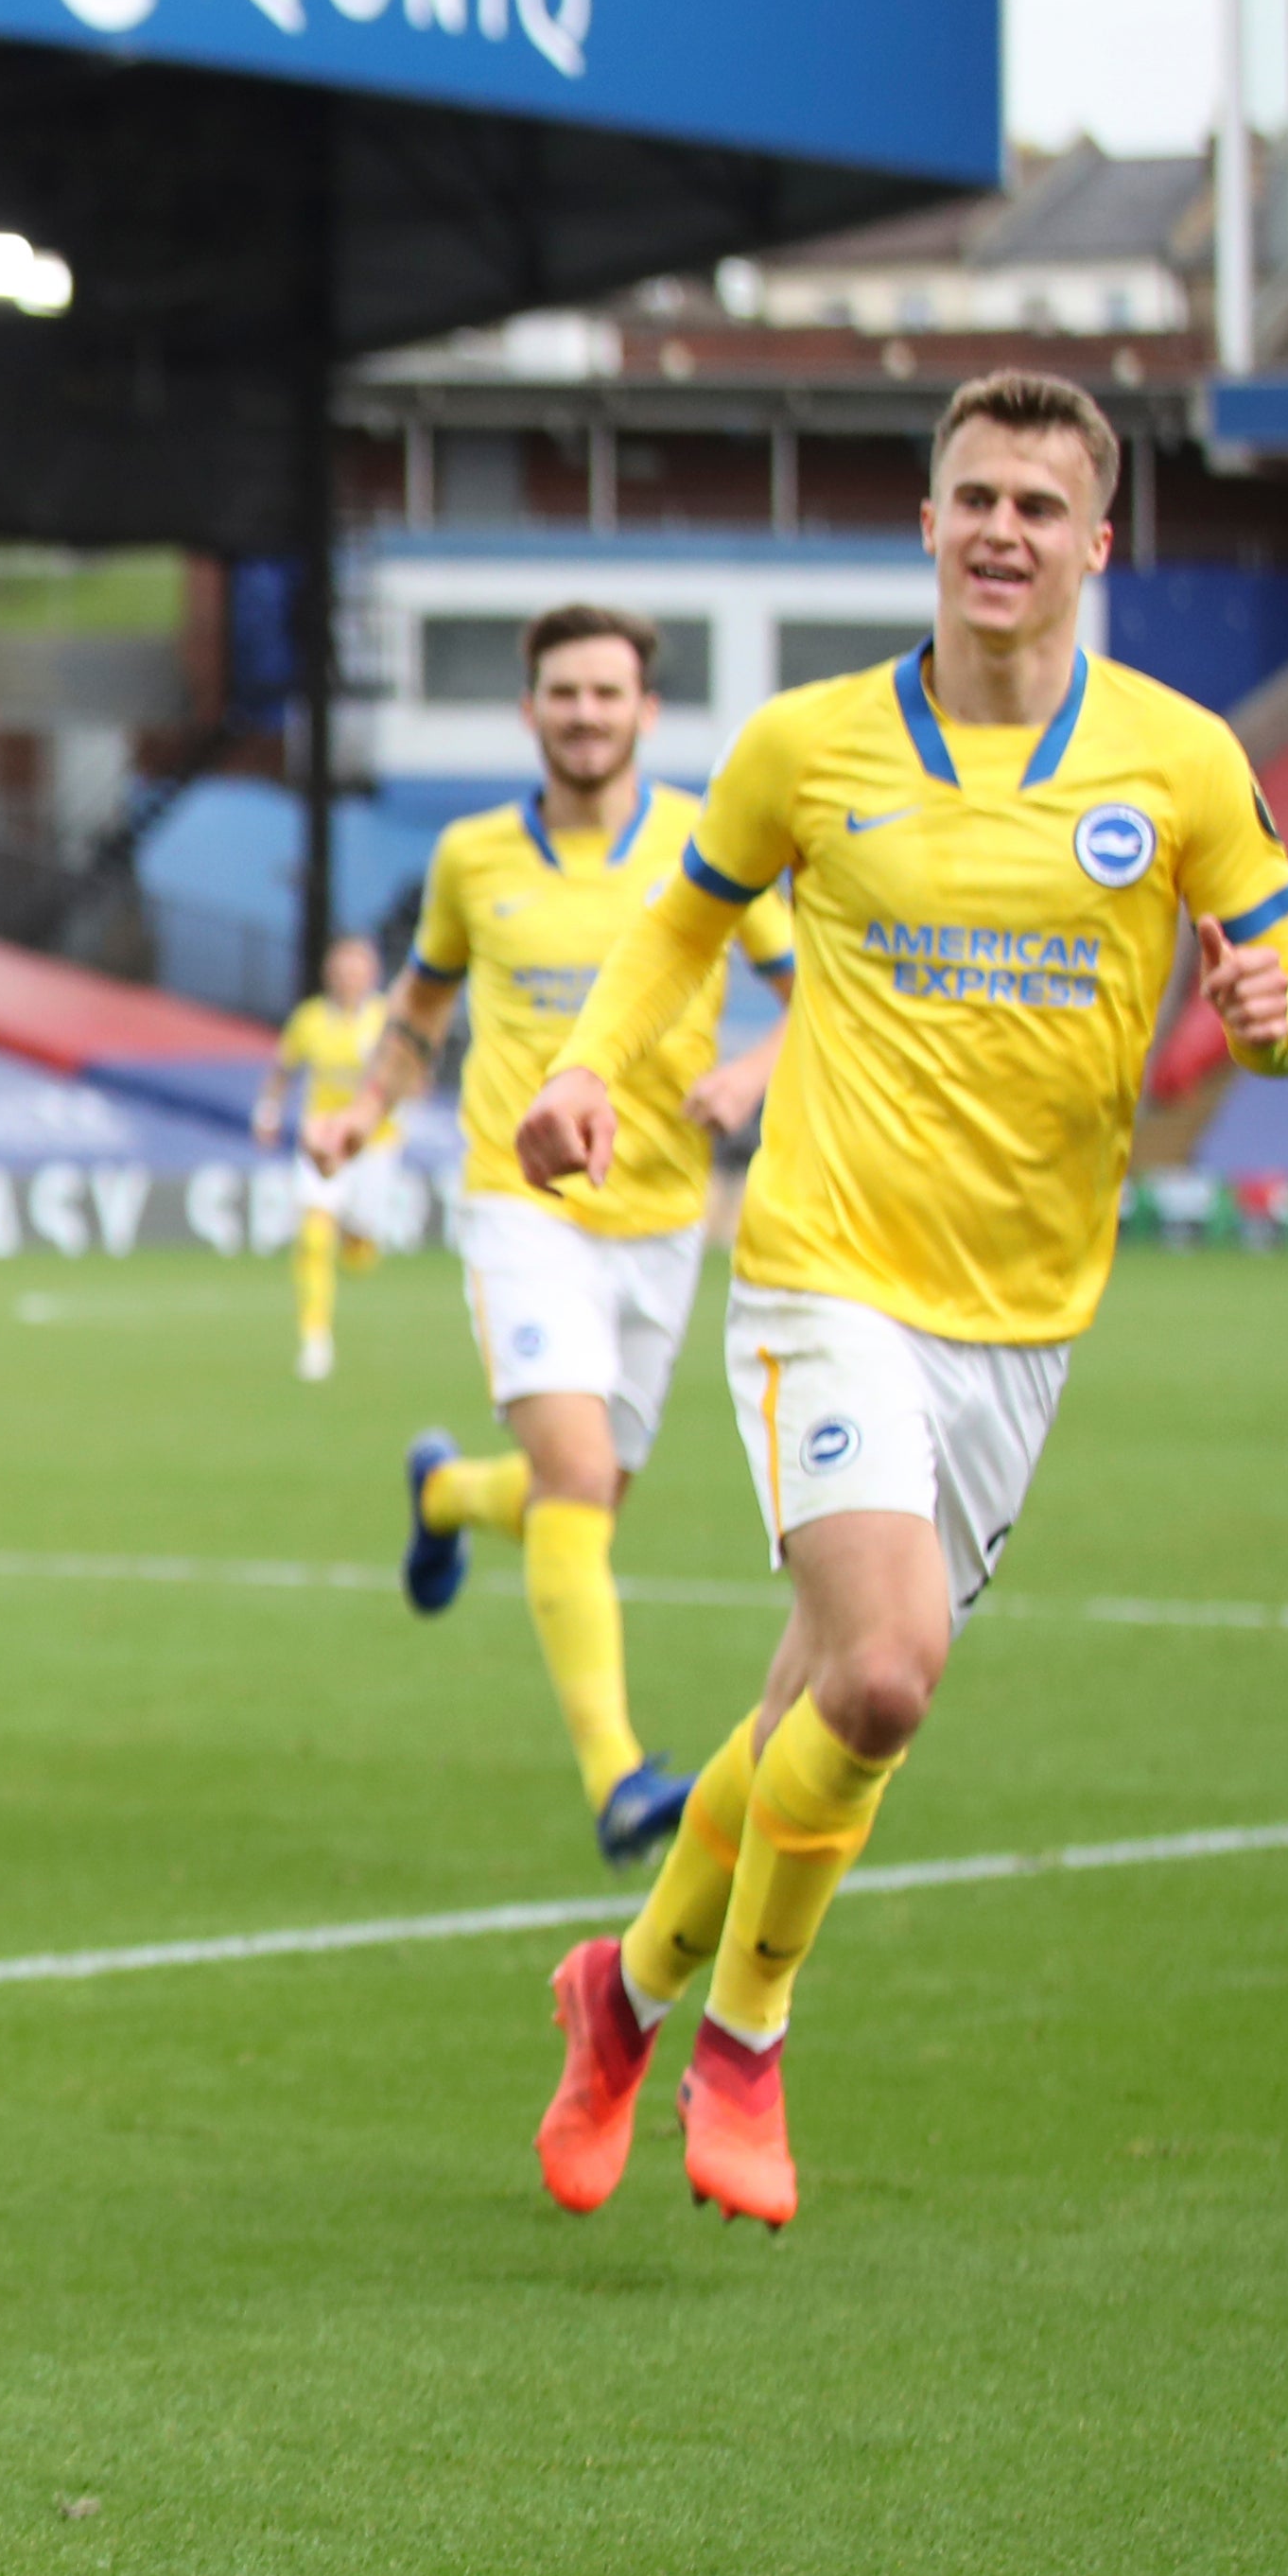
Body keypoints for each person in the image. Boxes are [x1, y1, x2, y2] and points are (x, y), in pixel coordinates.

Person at [514, 373, 1288, 2231]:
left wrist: (1282, 1021)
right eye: (974, 497)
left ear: (1096, 540)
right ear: (930, 522)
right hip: (822, 1271)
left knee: (811, 1702)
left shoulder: (1182, 761)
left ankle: (618, 1993)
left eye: (1041, 503)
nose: (1002, 531)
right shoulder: (811, 744)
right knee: (882, 1677)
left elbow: (1277, 967)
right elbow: (686, 924)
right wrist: (591, 1069)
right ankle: (747, 2035)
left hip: (1022, 1321)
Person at [311, 605, 794, 1870]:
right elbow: (418, 1012)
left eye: (608, 693)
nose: (586, 714)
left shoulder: (704, 841)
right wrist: (361, 1113)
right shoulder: (472, 857)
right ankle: (621, 1780)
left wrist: (751, 1071)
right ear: (528, 711)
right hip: (520, 1204)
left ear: (646, 712)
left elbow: (820, 999)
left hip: (664, 1216)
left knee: (584, 1499)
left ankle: (448, 1492)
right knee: (581, 1480)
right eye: (563, 694)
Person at [254, 935, 392, 1381]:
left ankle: (360, 1240)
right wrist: (269, 1111)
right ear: (330, 974)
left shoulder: (387, 1019)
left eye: (358, 970)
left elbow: (414, 1075)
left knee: (360, 1246)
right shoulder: (309, 1019)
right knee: (314, 1237)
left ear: (371, 976)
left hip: (376, 1146)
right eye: (342, 970)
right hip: (322, 1141)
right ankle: (315, 1341)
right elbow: (283, 1070)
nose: (349, 978)